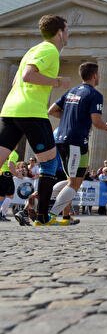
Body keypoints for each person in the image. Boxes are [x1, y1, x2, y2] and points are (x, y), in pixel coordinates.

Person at [0, 15, 71, 226]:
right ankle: (42, 216)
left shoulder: (33, 49)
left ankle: (40, 214)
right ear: (60, 32)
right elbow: (27, 76)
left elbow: (16, 80)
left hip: (11, 109)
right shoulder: (49, 50)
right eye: (67, 30)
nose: (68, 34)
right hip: (31, 112)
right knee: (50, 163)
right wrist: (58, 82)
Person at [47, 62, 107, 224]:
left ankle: (48, 203)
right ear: (94, 76)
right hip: (76, 141)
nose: (100, 77)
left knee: (73, 179)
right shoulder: (95, 94)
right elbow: (96, 121)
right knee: (74, 182)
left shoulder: (71, 91)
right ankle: (49, 215)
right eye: (99, 74)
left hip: (61, 140)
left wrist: (69, 118)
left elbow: (51, 110)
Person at [0, 149, 20, 222]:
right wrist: (17, 174)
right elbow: (10, 164)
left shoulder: (3, 151)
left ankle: (2, 215)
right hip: (7, 176)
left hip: (1, 174)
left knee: (1, 196)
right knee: (10, 195)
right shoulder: (13, 153)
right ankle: (2, 214)